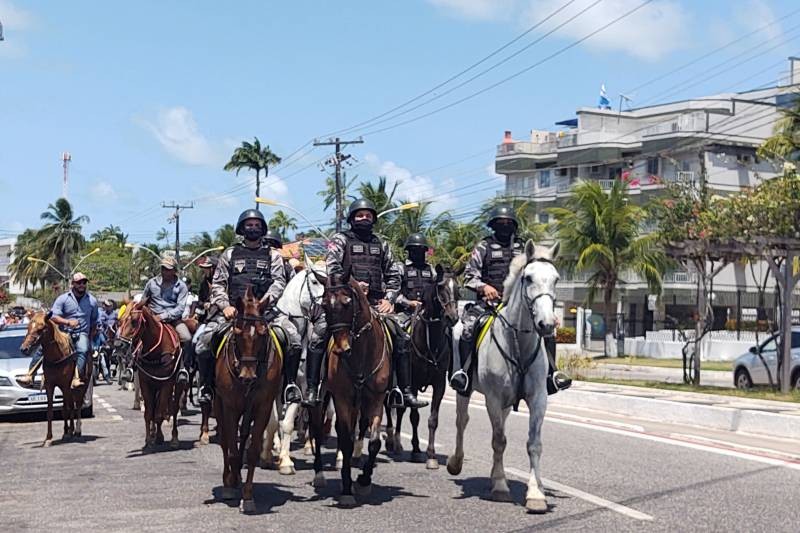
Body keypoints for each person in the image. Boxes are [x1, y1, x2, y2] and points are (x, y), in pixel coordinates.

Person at [300, 198, 428, 409]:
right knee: (318, 335)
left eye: (368, 215)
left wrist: (389, 298)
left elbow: (394, 274)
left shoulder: (382, 244)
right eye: (360, 215)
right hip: (344, 304)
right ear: (352, 218)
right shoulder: (340, 240)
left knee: (402, 338)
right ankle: (313, 389)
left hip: (376, 304)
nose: (364, 218)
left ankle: (403, 391)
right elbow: (332, 268)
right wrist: (354, 285)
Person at [449, 205, 571, 395]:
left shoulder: (524, 249)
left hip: (520, 305)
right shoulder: (483, 247)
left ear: (514, 226)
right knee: (466, 328)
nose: (505, 226)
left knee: (549, 329)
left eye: (508, 223)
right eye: (500, 223)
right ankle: (463, 374)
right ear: (494, 225)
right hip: (489, 304)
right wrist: (484, 287)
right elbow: (468, 276)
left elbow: (537, 276)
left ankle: (552, 374)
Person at [195, 209, 302, 404]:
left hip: (265, 313)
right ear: (242, 228)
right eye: (249, 225)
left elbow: (279, 282)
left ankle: (290, 385)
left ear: (262, 229)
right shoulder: (229, 254)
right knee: (203, 342)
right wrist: (225, 306)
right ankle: (207, 387)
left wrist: (264, 303)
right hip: (234, 313)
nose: (253, 228)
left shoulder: (274, 255)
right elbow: (218, 284)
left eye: (257, 225)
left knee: (294, 339)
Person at [19, 272, 99, 389]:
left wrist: (90, 337)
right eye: (79, 283)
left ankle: (77, 378)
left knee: (83, 349)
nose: (82, 285)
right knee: (42, 348)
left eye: (84, 282)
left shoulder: (92, 301)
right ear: (73, 284)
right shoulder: (63, 299)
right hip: (62, 332)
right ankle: (30, 375)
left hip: (81, 333)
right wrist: (67, 322)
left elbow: (94, 321)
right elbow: (53, 316)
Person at [140, 257, 192, 384]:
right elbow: (144, 300)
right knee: (134, 333)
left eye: (168, 269)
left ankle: (183, 368)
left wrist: (163, 316)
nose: (165, 272)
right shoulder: (151, 283)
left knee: (187, 338)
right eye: (163, 268)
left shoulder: (181, 286)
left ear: (174, 271)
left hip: (172, 319)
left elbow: (180, 308)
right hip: (152, 318)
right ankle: (131, 365)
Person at [192, 255, 219, 405]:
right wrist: (204, 305)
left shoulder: (225, 282)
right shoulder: (203, 284)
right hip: (208, 320)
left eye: (207, 268)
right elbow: (200, 301)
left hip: (225, 318)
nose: (205, 271)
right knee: (196, 342)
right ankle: (203, 383)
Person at [93, 299, 116, 383]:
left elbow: (103, 341)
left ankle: (107, 376)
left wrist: (105, 344)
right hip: (93, 351)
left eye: (109, 305)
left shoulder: (115, 314)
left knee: (103, 360)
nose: (107, 307)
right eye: (106, 305)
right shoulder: (102, 315)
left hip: (111, 336)